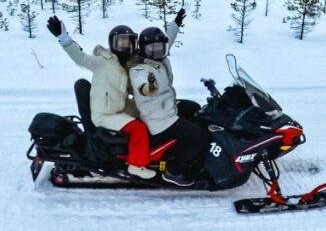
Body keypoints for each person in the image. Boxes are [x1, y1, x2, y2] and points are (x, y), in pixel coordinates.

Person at [46, 16, 154, 179]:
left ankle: (152, 153)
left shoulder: (126, 67)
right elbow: (81, 58)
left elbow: (133, 89)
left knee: (149, 114)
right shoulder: (103, 62)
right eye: (121, 42)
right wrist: (65, 39)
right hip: (105, 115)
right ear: (112, 44)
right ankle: (136, 165)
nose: (125, 46)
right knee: (138, 128)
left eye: (129, 42)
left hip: (119, 108)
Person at [128, 23, 207, 186]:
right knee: (199, 136)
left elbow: (168, 39)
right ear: (143, 49)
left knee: (194, 108)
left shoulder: (159, 59)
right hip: (158, 120)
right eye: (153, 48)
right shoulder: (140, 70)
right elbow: (143, 86)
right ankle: (174, 170)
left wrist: (176, 24)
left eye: (160, 48)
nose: (157, 51)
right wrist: (149, 87)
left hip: (166, 107)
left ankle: (194, 155)